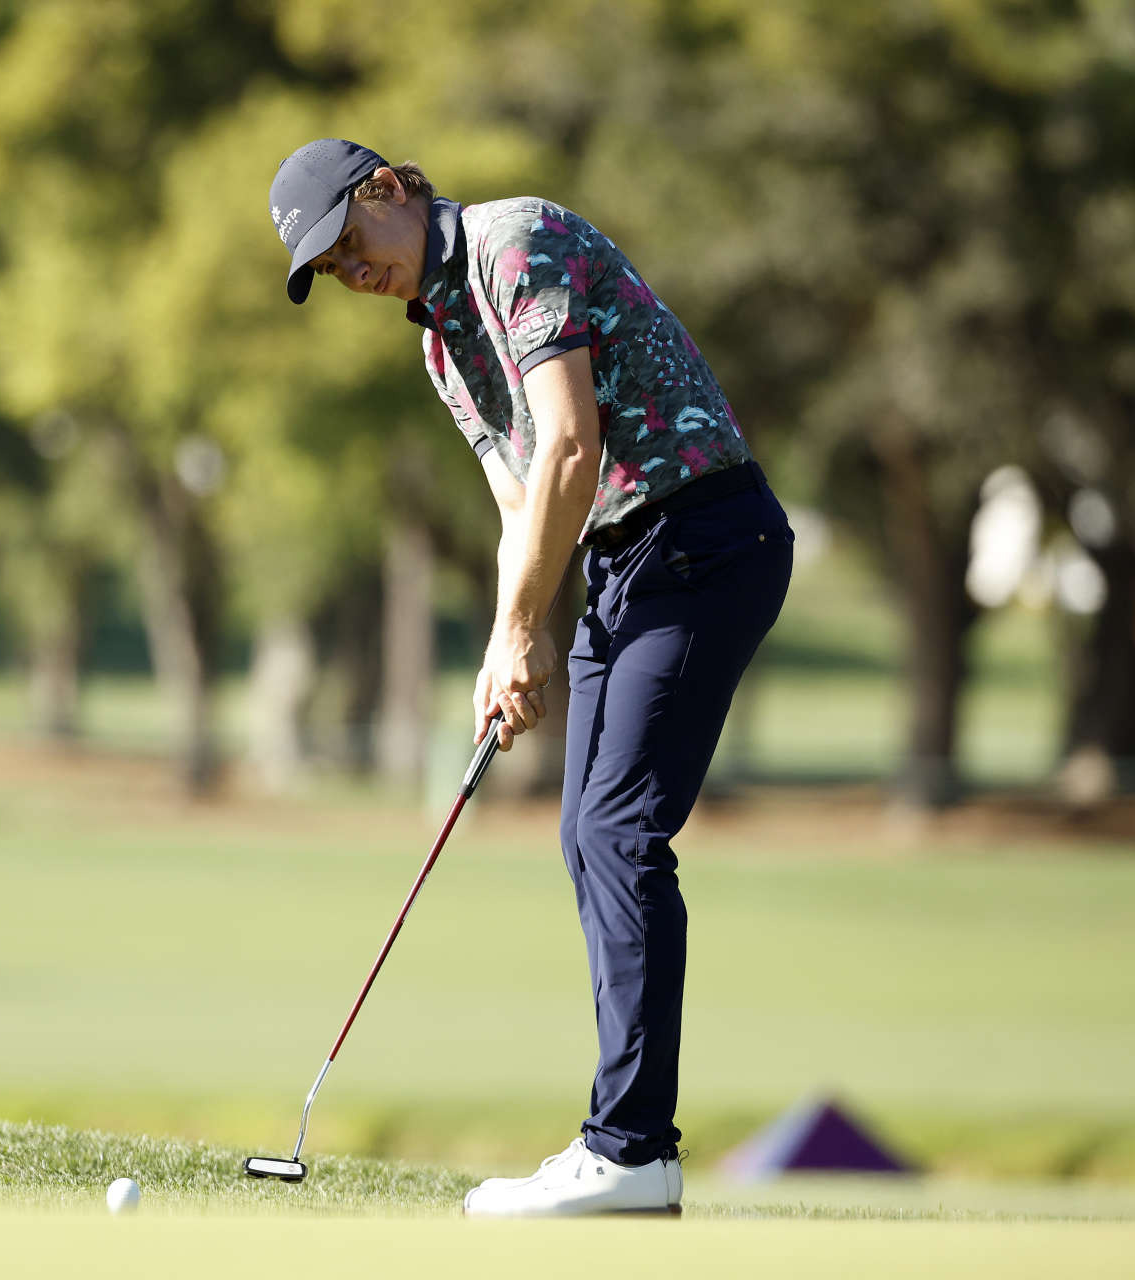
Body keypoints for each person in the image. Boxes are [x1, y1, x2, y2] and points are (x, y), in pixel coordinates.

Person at [270, 139, 794, 1217]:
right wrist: (510, 647)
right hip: (624, 565)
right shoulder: (441, 350)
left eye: (350, 242)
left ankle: (633, 1148)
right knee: (584, 833)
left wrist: (519, 626)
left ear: (389, 188)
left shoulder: (516, 242)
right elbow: (524, 502)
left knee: (618, 832)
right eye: (331, 270)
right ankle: (621, 1142)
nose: (352, 273)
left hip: (705, 540)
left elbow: (569, 444)